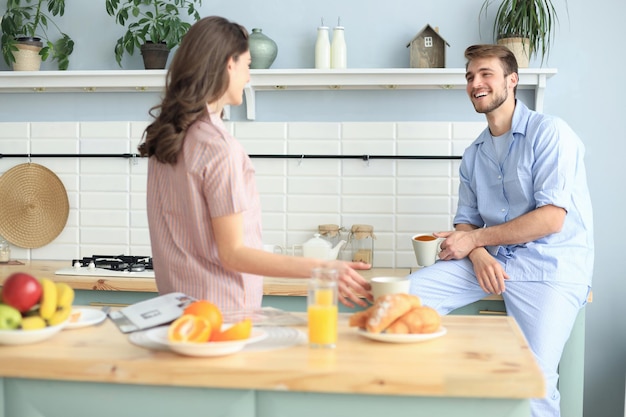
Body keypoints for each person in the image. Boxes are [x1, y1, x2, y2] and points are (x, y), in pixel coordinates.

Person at [407, 44, 593, 417]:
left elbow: (551, 219)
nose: (476, 83)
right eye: (470, 76)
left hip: (550, 268)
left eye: (486, 74)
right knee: (402, 298)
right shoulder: (474, 154)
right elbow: (466, 221)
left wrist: (475, 240)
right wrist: (476, 253)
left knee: (533, 382)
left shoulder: (551, 133)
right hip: (490, 263)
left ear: (512, 80)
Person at [138, 16, 372, 312]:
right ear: (228, 64)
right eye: (247, 65)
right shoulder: (218, 147)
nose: (249, 77)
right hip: (223, 315)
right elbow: (234, 254)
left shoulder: (167, 138)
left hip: (176, 313)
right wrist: (322, 268)